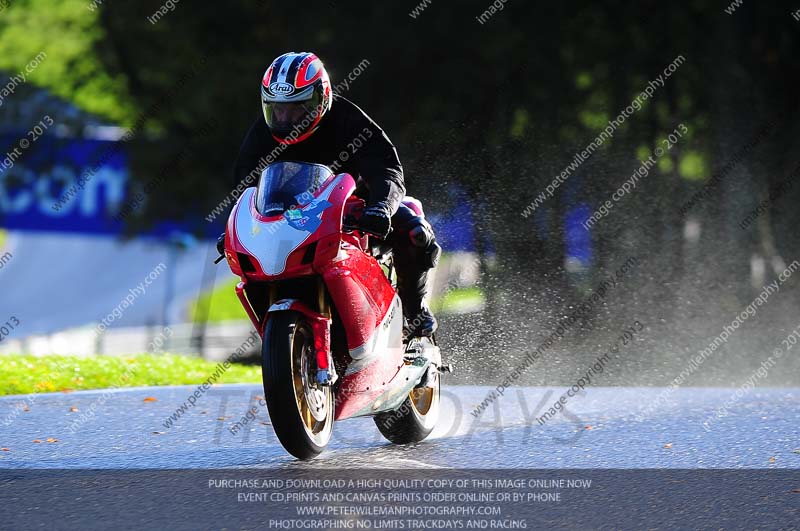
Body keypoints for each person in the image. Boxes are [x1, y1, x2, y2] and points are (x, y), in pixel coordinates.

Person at [225, 52, 441, 336]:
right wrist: (237, 229)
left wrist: (381, 208)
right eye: (277, 110)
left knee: (415, 231)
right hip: (293, 215)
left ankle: (414, 312)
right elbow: (246, 187)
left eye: (297, 108)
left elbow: (387, 169)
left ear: (321, 98)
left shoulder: (349, 120)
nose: (287, 118)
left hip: (357, 206)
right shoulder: (262, 134)